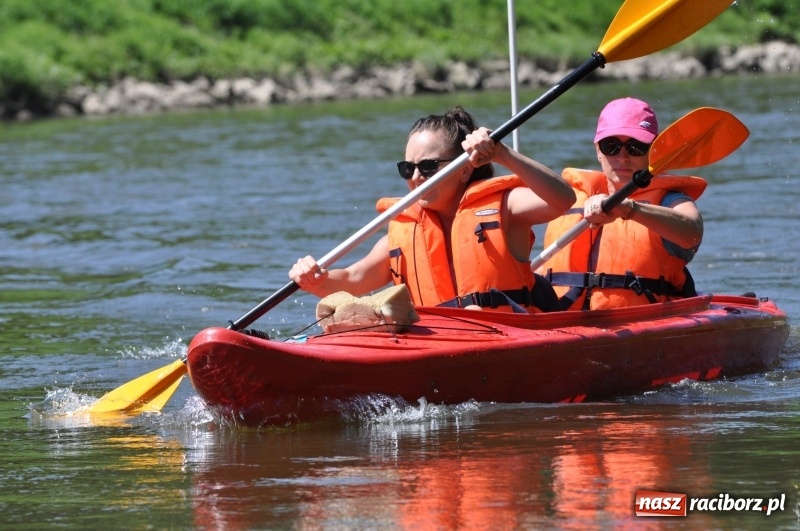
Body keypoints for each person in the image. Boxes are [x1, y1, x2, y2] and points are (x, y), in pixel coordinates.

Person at [289, 106, 576, 313]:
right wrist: (315, 279)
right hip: (443, 342)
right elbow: (353, 279)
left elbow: (563, 199)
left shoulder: (506, 208)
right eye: (407, 168)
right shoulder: (402, 233)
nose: (415, 178)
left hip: (510, 335)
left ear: (464, 170)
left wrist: (502, 153)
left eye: (428, 167)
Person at [536, 97, 707, 310]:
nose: (623, 157)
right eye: (611, 146)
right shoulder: (566, 197)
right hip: (563, 320)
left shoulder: (670, 201)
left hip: (644, 322)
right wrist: (502, 154)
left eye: (635, 147)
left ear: (653, 151)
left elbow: (692, 233)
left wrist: (629, 209)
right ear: (598, 150)